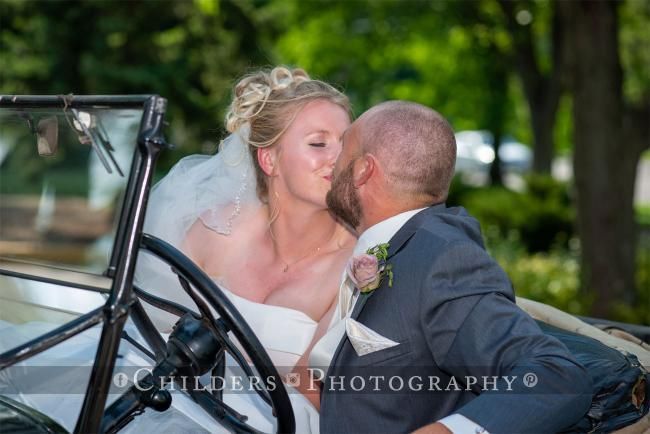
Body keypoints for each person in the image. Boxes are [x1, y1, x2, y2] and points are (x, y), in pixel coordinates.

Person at [318, 100, 593, 433]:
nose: (332, 163)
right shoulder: (397, 244)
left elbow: (556, 375)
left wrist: (449, 431)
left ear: (364, 169)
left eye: (343, 149)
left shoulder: (444, 260)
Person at [134, 66, 355, 431]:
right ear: (269, 160)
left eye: (347, 144)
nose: (338, 158)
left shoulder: (359, 261)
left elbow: (330, 392)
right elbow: (146, 323)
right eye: (319, 143)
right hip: (174, 404)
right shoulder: (216, 229)